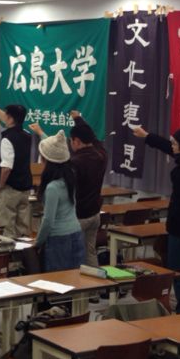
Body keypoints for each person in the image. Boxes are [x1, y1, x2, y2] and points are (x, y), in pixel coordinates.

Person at [132, 124, 180, 312]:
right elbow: (170, 148)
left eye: (175, 144)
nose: (172, 146)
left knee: (177, 272)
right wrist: (147, 136)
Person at [30, 111, 107, 266]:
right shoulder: (101, 153)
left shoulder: (76, 162)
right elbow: (88, 134)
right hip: (95, 213)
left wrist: (41, 134)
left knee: (74, 263)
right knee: (90, 253)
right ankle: (95, 281)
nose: (70, 144)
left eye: (71, 141)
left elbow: (55, 156)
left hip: (79, 216)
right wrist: (78, 118)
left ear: (77, 141)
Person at [0, 100, 34, 238]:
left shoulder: (7, 139)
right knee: (23, 229)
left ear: (10, 119)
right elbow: (8, 118)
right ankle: (24, 251)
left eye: (6, 115)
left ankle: (9, 252)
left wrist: (0, 185)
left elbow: (6, 168)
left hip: (9, 188)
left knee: (6, 229)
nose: (4, 117)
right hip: (24, 188)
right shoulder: (27, 135)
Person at [34, 131, 85, 272]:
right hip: (76, 233)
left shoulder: (52, 187)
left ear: (46, 161)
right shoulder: (70, 178)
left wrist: (38, 242)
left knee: (57, 280)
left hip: (59, 239)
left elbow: (48, 220)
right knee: (74, 278)